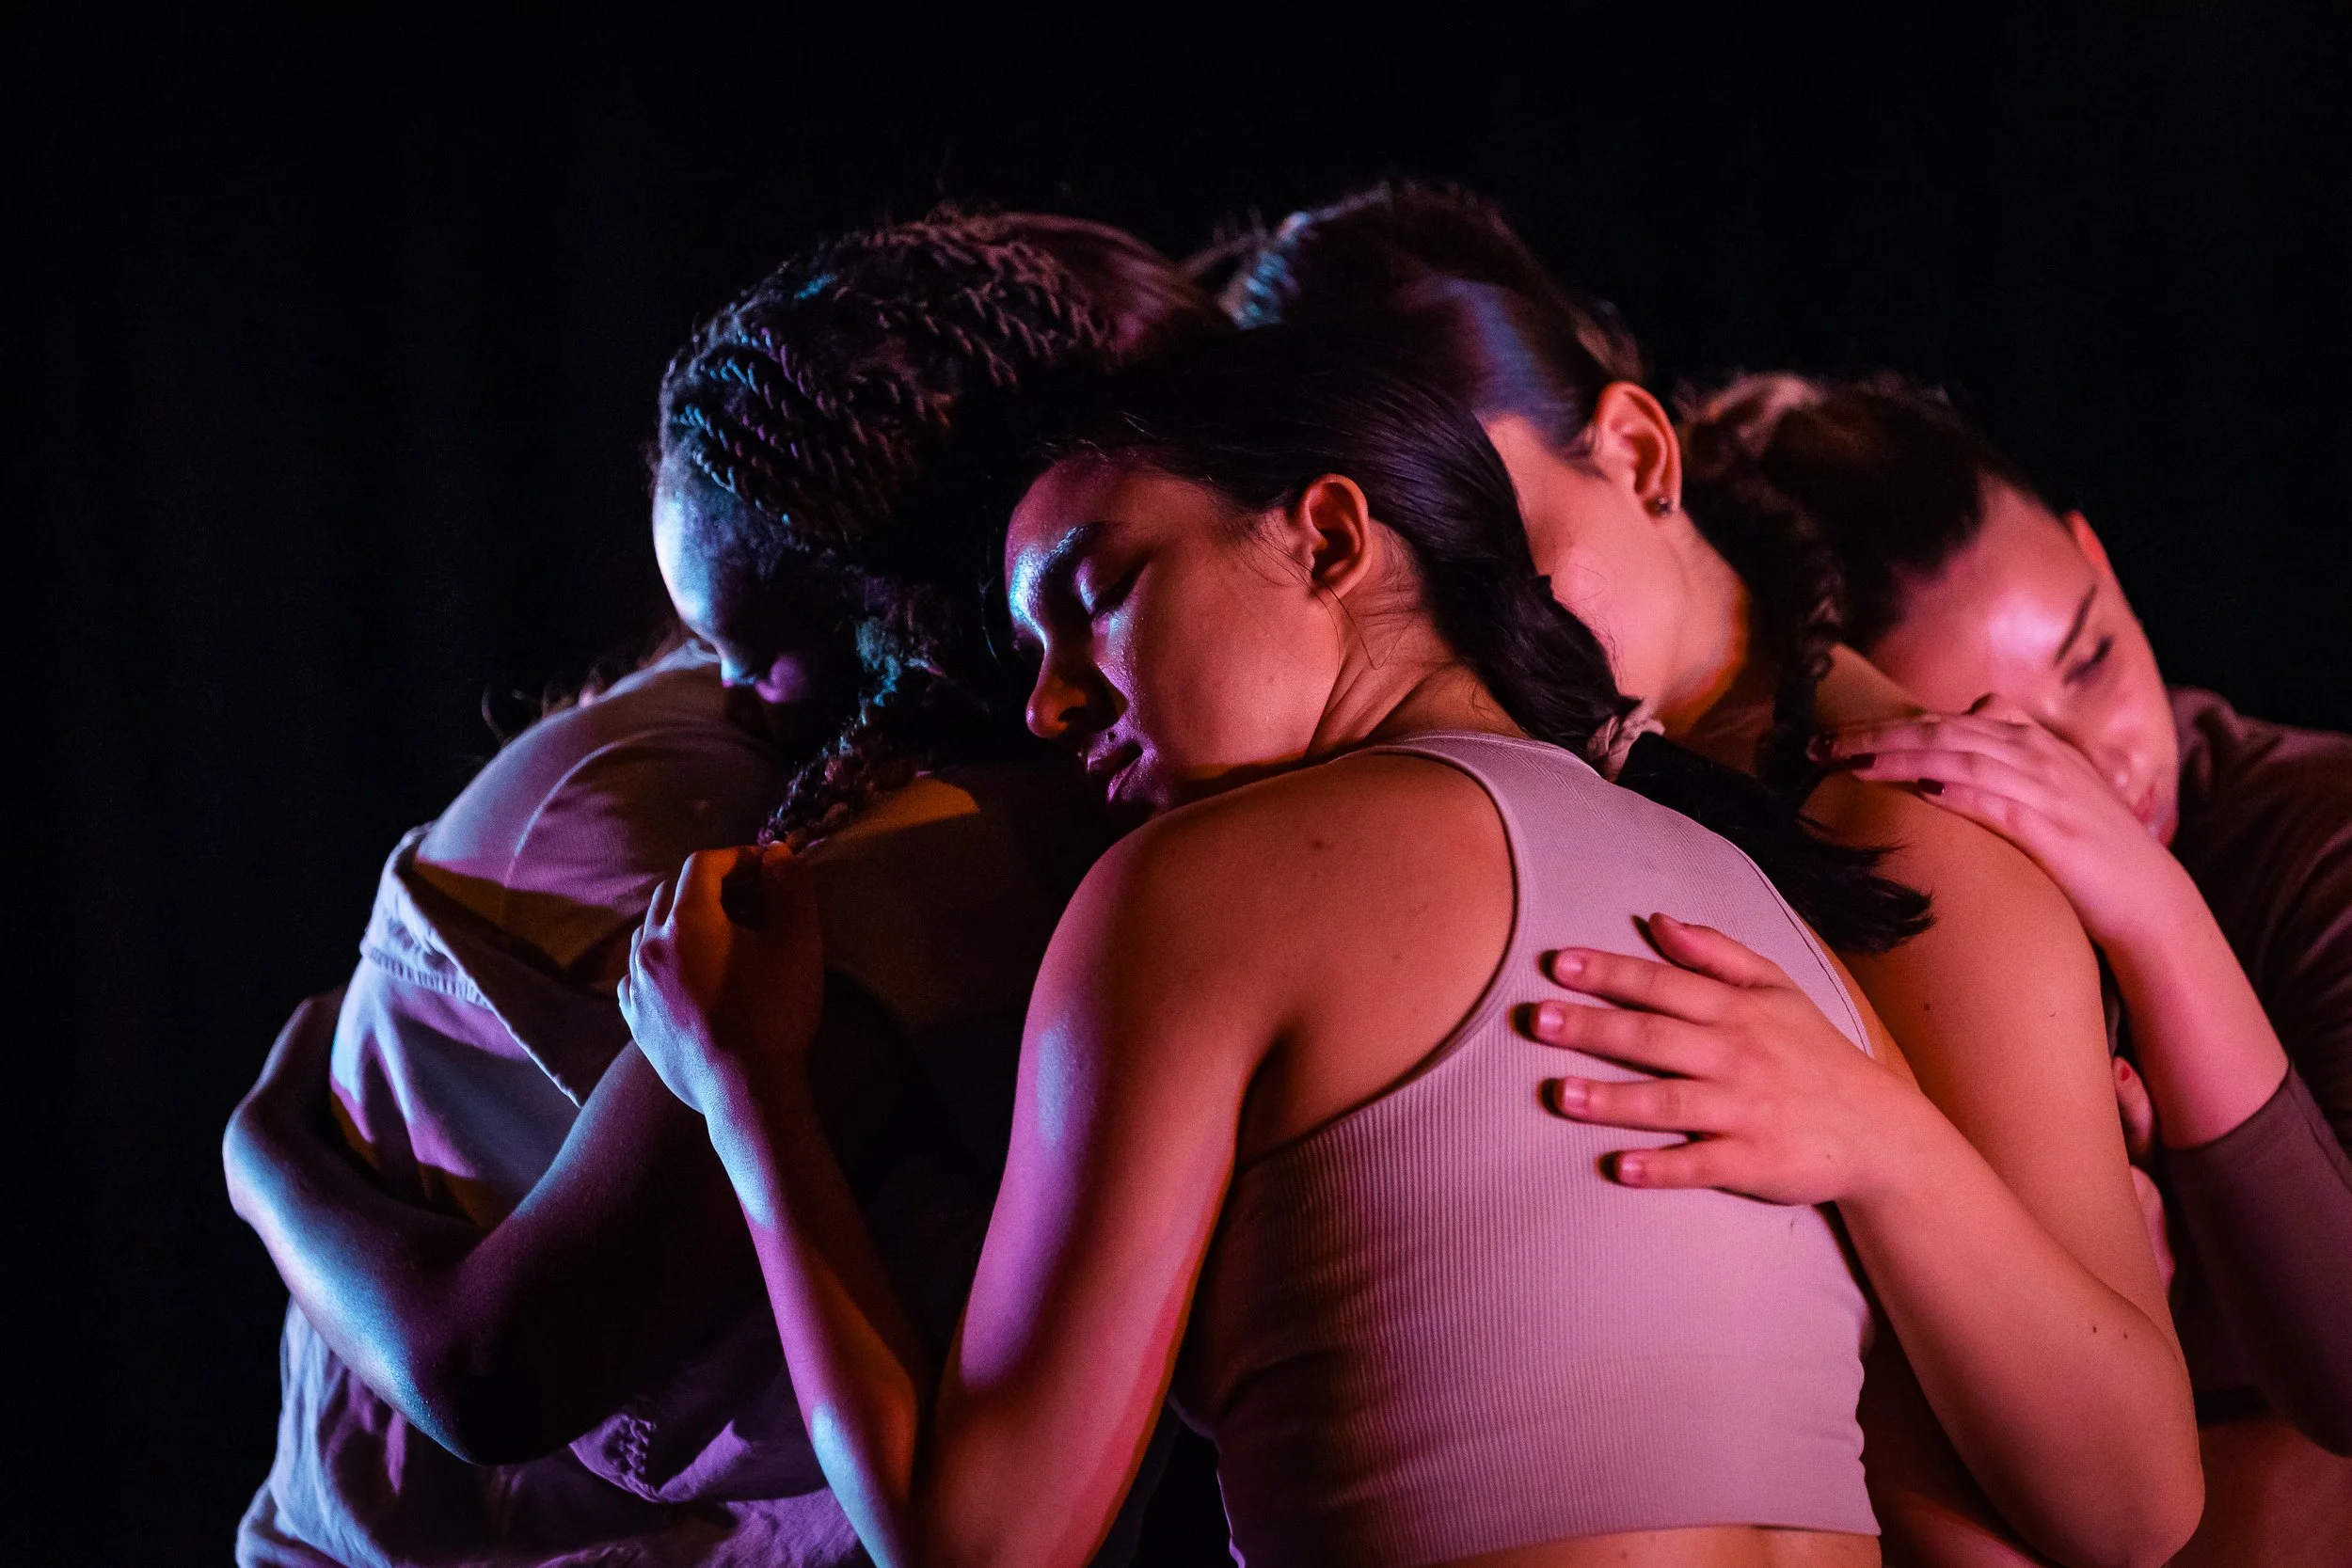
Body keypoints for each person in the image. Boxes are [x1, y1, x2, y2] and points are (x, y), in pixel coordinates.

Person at [619, 328, 2197, 1568]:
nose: (1048, 703)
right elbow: (2117, 1510)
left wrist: (749, 1089)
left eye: (1095, 595)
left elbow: (985, 1541)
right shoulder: (1758, 895)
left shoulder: (1200, 890)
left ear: (1327, 535)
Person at [224, 213, 1225, 1567]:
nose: (732, 695)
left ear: (900, 612)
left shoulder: (896, 891)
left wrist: (268, 1158)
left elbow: (489, 1369)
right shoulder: (1013, 796)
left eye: (750, 649)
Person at [1222, 184, 2201, 1567]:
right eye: (1414, 578)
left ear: (1636, 452)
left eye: (1503, 555)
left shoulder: (1905, 827)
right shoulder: (1520, 816)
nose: (1467, 628)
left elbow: (2138, 1495)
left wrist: (1883, 1139)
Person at [1684, 372, 2352, 1565]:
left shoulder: (2319, 837)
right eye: (2005, 744)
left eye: (2090, 658)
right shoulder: (1911, 913)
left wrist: (2155, 910)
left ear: (2099, 556)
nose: (2099, 767)